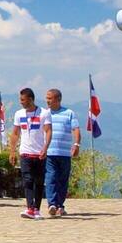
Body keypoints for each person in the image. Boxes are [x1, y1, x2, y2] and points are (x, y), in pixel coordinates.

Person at [8, 88, 49, 220]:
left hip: (39, 153)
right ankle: (30, 207)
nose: (21, 102)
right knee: (27, 180)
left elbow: (48, 131)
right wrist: (12, 151)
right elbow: (15, 133)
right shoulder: (19, 114)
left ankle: (36, 208)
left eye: (23, 100)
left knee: (39, 181)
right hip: (25, 152)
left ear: (30, 99)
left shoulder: (44, 113)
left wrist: (45, 147)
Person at [41, 88, 81, 218]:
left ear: (58, 99)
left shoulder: (69, 113)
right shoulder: (44, 113)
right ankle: (52, 204)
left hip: (64, 153)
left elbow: (75, 129)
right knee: (50, 178)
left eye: (50, 98)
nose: (47, 101)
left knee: (63, 180)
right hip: (49, 152)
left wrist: (76, 144)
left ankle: (60, 205)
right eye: (46, 98)